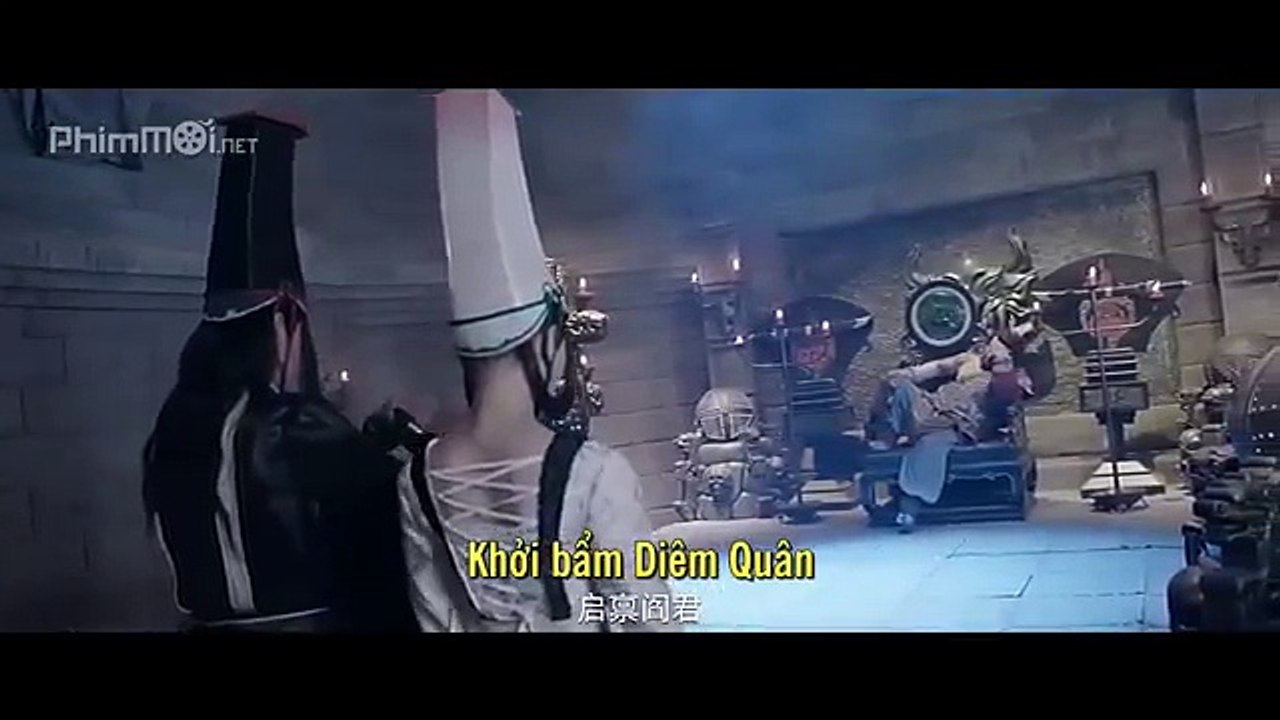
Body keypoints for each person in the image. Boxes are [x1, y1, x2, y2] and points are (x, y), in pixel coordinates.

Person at [397, 89, 675, 632]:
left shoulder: (416, 479)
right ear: (547, 345)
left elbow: (435, 619)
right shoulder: (594, 470)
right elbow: (646, 613)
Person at [142, 112, 420, 632]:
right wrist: (406, 445)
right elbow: (404, 507)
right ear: (282, 325)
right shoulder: (292, 424)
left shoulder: (175, 420)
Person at [877, 336, 1033, 532]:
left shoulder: (1010, 377)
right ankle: (888, 435)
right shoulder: (969, 360)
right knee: (898, 384)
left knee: (929, 446)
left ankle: (908, 510)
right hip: (932, 405)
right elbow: (937, 368)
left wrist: (1001, 364)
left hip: (956, 423)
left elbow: (1005, 395)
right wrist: (907, 374)